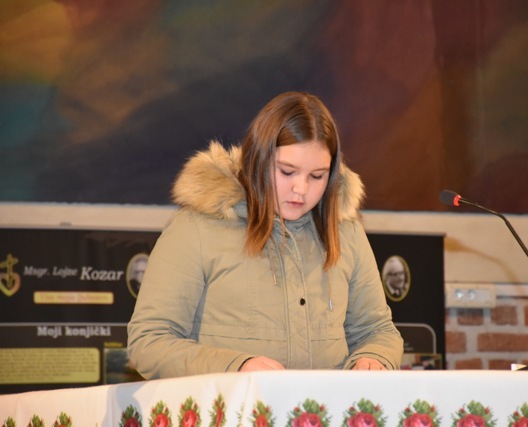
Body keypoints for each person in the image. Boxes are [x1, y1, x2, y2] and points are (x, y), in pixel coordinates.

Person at [127, 91, 403, 378]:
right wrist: (236, 366)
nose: (301, 189)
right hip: (230, 405)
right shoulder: (196, 227)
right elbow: (149, 341)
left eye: (317, 176)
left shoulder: (346, 231)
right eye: (287, 172)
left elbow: (378, 331)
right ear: (257, 160)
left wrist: (374, 358)